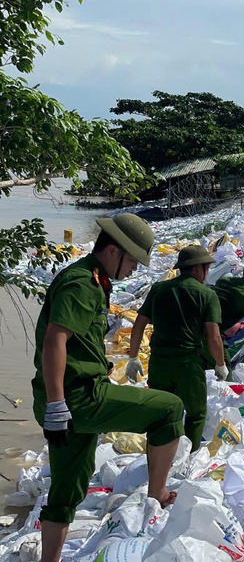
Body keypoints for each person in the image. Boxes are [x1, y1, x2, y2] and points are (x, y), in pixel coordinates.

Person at [32, 214, 184, 562]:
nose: (133, 269)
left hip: (68, 399)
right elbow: (55, 339)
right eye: (132, 261)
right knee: (170, 409)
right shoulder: (81, 283)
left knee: (67, 489)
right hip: (79, 398)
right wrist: (57, 404)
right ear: (113, 251)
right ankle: (159, 493)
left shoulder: (95, 280)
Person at [128, 245, 225, 452]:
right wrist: (220, 364)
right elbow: (214, 337)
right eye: (207, 268)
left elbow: (139, 325)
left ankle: (157, 456)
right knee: (196, 414)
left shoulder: (159, 289)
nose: (207, 272)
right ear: (198, 268)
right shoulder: (207, 295)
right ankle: (188, 457)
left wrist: (133, 357)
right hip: (188, 365)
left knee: (160, 412)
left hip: (159, 363)